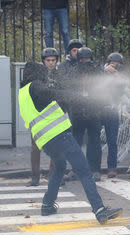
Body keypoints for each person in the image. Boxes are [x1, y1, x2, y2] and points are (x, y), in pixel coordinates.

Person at [18, 62, 122, 224]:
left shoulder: (22, 93)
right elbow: (48, 92)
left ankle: (47, 205)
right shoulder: (36, 86)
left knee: (59, 167)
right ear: (38, 73)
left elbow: (46, 104)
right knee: (85, 171)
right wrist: (72, 95)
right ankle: (99, 209)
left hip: (45, 141)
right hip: (60, 136)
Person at [29, 48, 62, 186]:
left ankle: (53, 176)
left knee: (55, 147)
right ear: (43, 61)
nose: (50, 63)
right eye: (48, 60)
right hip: (38, 114)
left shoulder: (60, 75)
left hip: (54, 114)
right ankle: (35, 177)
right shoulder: (36, 75)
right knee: (36, 147)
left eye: (53, 60)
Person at [70, 47, 103, 181]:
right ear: (78, 61)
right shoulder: (74, 72)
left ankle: (95, 169)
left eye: (87, 60)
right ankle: (75, 169)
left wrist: (94, 70)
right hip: (78, 109)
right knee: (75, 141)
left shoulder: (97, 71)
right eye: (82, 60)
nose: (85, 62)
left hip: (93, 109)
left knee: (94, 140)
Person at [101, 53, 126, 178]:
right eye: (113, 64)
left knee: (112, 140)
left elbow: (122, 90)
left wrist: (116, 75)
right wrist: (105, 72)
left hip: (113, 109)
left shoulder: (120, 76)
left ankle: (112, 167)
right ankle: (93, 167)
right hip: (99, 108)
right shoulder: (100, 72)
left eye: (118, 65)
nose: (115, 66)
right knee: (94, 139)